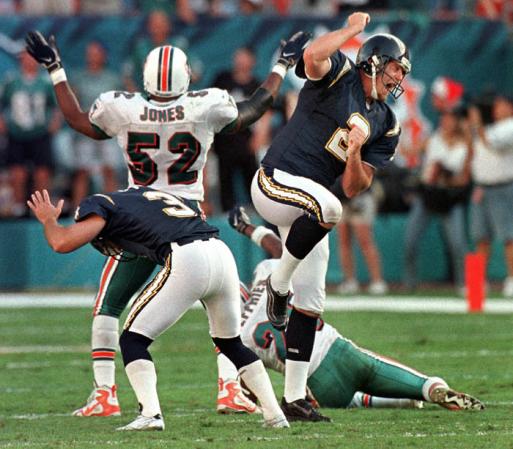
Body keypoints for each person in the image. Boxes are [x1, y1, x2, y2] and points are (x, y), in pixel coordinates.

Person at [25, 28, 310, 417]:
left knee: (109, 305)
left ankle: (106, 394)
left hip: (136, 218)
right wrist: (281, 64)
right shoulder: (204, 106)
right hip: (186, 220)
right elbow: (256, 108)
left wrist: (55, 68)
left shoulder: (122, 107)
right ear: (187, 76)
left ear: (145, 76)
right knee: (221, 309)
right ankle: (228, 387)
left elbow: (77, 119)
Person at [250, 12, 410, 421]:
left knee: (312, 301)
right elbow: (312, 54)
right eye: (394, 67)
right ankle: (278, 281)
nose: (397, 78)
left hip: (310, 204)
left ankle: (294, 396)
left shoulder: (386, 123)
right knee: (330, 209)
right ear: (373, 60)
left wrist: (355, 151)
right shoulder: (340, 73)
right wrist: (354, 30)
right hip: (275, 180)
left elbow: (356, 186)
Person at [27, 187, 290, 430]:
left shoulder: (102, 204)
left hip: (187, 257)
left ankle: (150, 414)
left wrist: (49, 219)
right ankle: (274, 415)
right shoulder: (152, 196)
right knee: (231, 343)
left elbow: (61, 242)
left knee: (132, 339)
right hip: (221, 253)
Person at [219, 206, 484, 412]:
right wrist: (246, 227)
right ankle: (431, 388)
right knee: (382, 370)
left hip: (319, 383)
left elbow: (249, 389)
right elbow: (277, 248)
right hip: (340, 351)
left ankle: (394, 402)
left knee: (336, 399)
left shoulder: (237, 336)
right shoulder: (267, 274)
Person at [403, 109, 473, 294]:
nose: (445, 122)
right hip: (428, 194)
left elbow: (465, 178)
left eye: (450, 119)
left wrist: (445, 175)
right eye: (443, 119)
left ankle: (464, 284)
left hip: (449, 197)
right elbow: (410, 151)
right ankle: (410, 284)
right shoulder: (433, 139)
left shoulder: (465, 145)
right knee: (410, 240)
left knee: (458, 244)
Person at [0, 50, 61, 217]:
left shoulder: (46, 82)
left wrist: (54, 123)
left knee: (42, 172)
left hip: (40, 133)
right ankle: (19, 207)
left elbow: (56, 105)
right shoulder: (11, 81)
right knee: (17, 172)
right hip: (16, 133)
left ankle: (41, 208)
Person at [70, 41, 123, 211]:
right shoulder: (78, 78)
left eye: (96, 53)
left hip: (108, 131)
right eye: (90, 53)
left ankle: (114, 211)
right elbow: (74, 105)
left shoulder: (113, 79)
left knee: (109, 170)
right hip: (86, 131)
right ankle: (77, 211)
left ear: (103, 56)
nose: (92, 56)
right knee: (82, 171)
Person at [469, 94, 513, 297]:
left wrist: (476, 123)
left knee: (509, 237)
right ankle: (477, 284)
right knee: (480, 238)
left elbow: (490, 143)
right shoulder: (490, 127)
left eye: (500, 105)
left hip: (503, 187)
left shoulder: (509, 126)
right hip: (482, 188)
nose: (496, 109)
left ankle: (511, 280)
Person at [213, 46, 262, 212]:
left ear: (252, 61)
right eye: (238, 56)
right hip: (224, 142)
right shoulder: (222, 79)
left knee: (253, 184)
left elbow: (267, 111)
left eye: (244, 57)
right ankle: (229, 219)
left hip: (246, 143)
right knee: (225, 186)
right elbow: (210, 106)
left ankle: (260, 217)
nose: (240, 60)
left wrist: (260, 135)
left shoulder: (256, 85)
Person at [332, 183, 388, 295]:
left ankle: (377, 281)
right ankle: (349, 281)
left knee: (365, 241)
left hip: (360, 196)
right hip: (339, 198)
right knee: (343, 242)